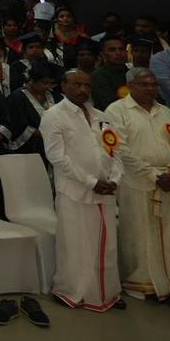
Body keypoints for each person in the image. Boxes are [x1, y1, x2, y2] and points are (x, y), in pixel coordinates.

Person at [41, 69, 123, 311]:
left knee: (106, 243)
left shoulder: (101, 116)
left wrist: (115, 179)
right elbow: (57, 157)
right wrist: (90, 181)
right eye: (76, 85)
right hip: (74, 189)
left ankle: (106, 291)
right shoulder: (53, 115)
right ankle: (72, 291)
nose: (83, 90)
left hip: (105, 189)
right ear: (63, 86)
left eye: (87, 85)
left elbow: (115, 151)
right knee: (76, 244)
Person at [105, 69, 170, 302]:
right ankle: (142, 282)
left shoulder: (165, 112)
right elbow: (120, 149)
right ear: (130, 85)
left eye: (153, 84)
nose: (150, 88)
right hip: (138, 181)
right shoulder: (116, 110)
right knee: (140, 233)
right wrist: (154, 175)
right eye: (144, 84)